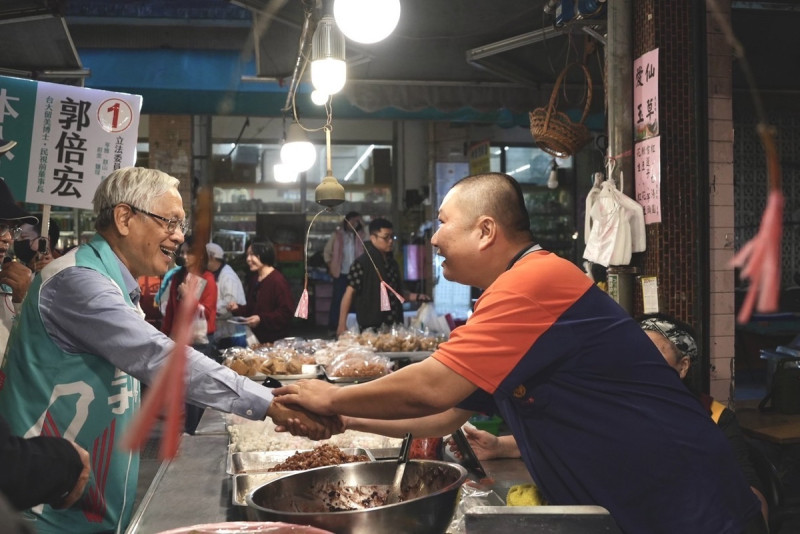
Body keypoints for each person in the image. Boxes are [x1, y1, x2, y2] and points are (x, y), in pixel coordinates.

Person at [276, 172, 763, 534]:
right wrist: (345, 422)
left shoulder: (534, 283)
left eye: (444, 223)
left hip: (689, 510)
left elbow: (431, 388)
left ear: (486, 231)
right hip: (642, 508)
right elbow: (446, 414)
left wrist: (331, 397)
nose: (435, 237)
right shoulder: (508, 293)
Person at [0, 167, 339, 533]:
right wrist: (269, 403)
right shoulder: (77, 281)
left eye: (181, 225)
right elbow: (160, 357)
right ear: (125, 217)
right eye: (170, 222)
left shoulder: (112, 282)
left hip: (84, 509)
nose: (179, 236)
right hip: (46, 511)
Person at [0, 173, 91, 514]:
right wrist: (62, 463)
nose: (6, 239)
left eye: (9, 228)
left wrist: (28, 298)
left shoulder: (15, 288)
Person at [161, 235, 219, 434]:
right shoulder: (177, 276)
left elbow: (209, 314)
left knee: (197, 387)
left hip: (201, 341)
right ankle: (186, 427)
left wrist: (189, 296)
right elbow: (171, 309)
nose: (184, 256)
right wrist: (166, 335)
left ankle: (195, 429)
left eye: (189, 252)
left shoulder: (208, 279)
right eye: (182, 252)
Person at [337, 217, 429, 336]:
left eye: (392, 237)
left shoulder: (392, 263)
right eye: (386, 237)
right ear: (373, 238)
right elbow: (349, 293)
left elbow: (398, 292)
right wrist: (341, 324)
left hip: (395, 327)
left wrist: (417, 297)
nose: (390, 241)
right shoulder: (362, 263)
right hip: (371, 328)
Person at [228, 240, 293, 344]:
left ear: (264, 254)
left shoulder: (277, 281)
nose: (248, 259)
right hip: (256, 339)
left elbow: (286, 313)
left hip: (274, 342)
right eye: (247, 255)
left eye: (252, 255)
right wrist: (237, 309)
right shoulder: (255, 279)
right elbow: (252, 309)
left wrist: (261, 319)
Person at [323, 211, 365, 332]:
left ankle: (354, 327)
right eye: (351, 221)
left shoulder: (361, 235)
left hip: (357, 274)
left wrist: (362, 225)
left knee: (356, 300)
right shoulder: (338, 235)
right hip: (341, 273)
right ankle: (335, 327)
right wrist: (330, 265)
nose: (353, 224)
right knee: (338, 300)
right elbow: (327, 251)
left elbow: (367, 241)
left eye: (356, 221)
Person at [206, 241, 247, 349]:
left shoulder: (228, 276)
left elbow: (229, 305)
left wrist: (208, 308)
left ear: (211, 257)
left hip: (232, 335)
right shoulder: (214, 274)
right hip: (222, 333)